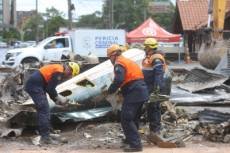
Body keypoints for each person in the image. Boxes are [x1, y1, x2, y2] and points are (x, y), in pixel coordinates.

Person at [24, 62, 80, 145]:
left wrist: (57, 101)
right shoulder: (59, 71)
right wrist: (59, 100)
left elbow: (49, 89)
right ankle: (45, 138)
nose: (67, 77)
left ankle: (47, 134)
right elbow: (50, 89)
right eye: (69, 74)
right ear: (69, 69)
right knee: (44, 110)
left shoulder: (58, 69)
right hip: (35, 86)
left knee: (44, 110)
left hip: (36, 85)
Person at [107, 44, 149, 152]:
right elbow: (130, 78)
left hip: (134, 92)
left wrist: (110, 90)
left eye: (109, 57)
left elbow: (119, 79)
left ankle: (135, 145)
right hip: (141, 91)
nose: (110, 60)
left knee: (126, 118)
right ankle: (130, 140)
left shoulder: (119, 63)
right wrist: (122, 90)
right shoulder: (127, 61)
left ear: (113, 55)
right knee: (133, 118)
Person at [142, 38, 167, 144]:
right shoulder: (151, 57)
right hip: (149, 87)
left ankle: (155, 131)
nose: (144, 48)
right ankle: (154, 131)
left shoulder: (156, 59)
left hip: (154, 88)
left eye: (146, 47)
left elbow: (158, 74)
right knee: (151, 109)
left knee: (154, 108)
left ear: (149, 47)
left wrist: (157, 89)